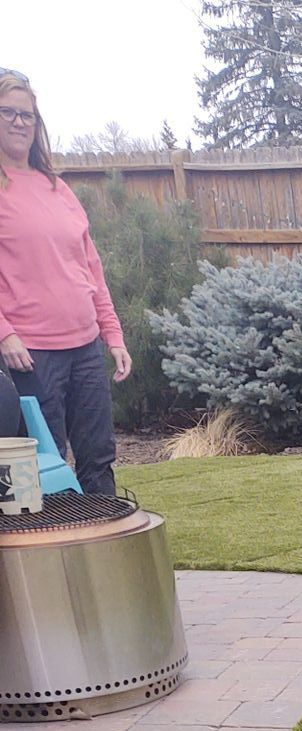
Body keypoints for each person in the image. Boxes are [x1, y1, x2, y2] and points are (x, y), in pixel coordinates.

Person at [0, 71, 130, 495]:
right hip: (31, 355)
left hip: (85, 348)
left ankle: (105, 534)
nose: (19, 122)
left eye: (27, 115)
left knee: (98, 459)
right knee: (42, 468)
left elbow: (90, 268)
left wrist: (112, 334)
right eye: (8, 112)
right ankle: (47, 540)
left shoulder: (58, 189)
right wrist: (5, 334)